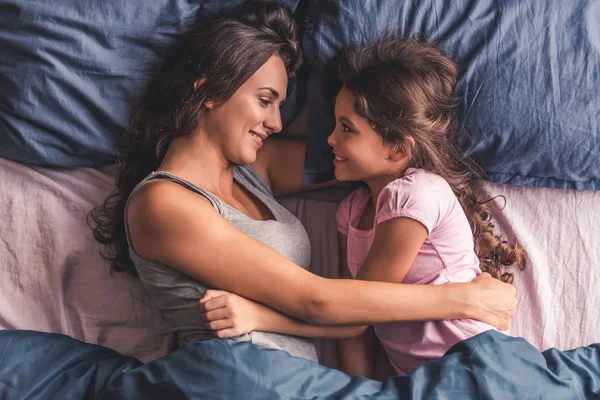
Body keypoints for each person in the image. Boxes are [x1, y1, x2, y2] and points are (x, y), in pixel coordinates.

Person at [90, 0, 517, 364]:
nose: (276, 122)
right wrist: (465, 299)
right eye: (265, 101)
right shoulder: (163, 203)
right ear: (209, 90)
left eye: (280, 104)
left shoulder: (259, 168)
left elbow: (371, 156)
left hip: (298, 382)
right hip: (237, 375)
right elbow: (318, 300)